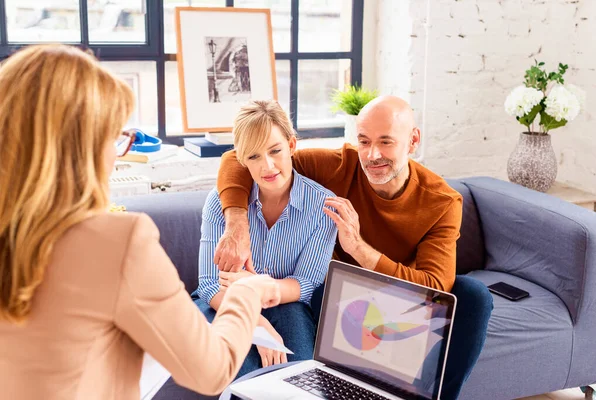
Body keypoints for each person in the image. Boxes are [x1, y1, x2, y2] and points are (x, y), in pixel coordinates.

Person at [0, 44, 281, 400]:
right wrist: (247, 291)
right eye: (114, 136)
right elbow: (212, 371)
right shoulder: (115, 242)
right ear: (82, 146)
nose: (116, 156)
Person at [214, 95, 494, 399]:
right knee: (329, 288)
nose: (373, 155)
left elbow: (438, 286)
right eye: (364, 141)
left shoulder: (442, 202)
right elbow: (237, 159)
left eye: (386, 142)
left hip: (405, 299)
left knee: (474, 296)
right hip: (339, 298)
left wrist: (359, 248)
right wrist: (237, 225)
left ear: (413, 141)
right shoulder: (339, 166)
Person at [193, 100, 337, 377]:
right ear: (241, 158)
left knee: (300, 374)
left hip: (288, 304)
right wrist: (256, 322)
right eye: (254, 156)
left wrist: (260, 287)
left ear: (292, 145)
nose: (268, 166)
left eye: (275, 151)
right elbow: (210, 285)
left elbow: (307, 284)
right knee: (239, 372)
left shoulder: (322, 206)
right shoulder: (218, 203)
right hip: (224, 302)